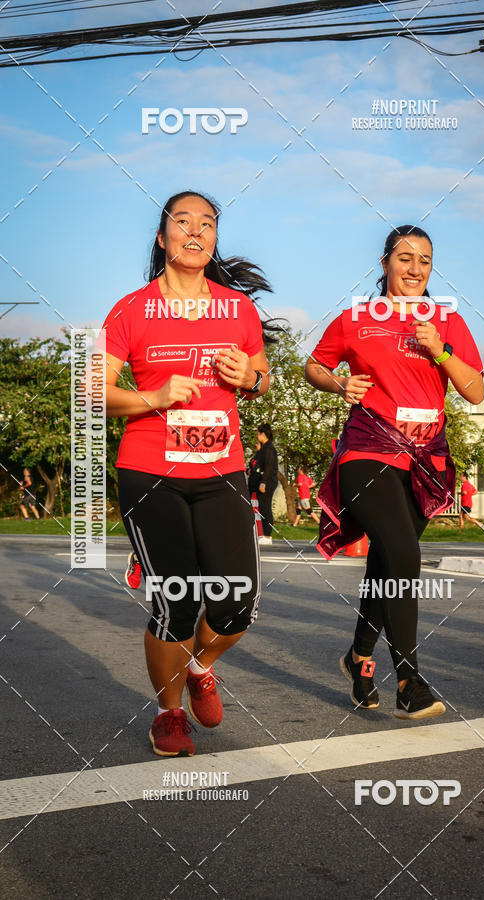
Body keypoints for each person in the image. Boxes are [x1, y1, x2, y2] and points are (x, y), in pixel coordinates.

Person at [103, 189, 277, 757]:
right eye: (183, 222)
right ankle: (169, 714)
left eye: (208, 223)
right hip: (150, 471)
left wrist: (247, 379)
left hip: (221, 469)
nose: (196, 231)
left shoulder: (238, 309)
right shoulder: (132, 310)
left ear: (214, 240)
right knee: (175, 598)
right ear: (163, 237)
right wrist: (153, 395)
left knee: (237, 603)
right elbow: (96, 393)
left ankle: (201, 666)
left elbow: (262, 378)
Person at [305, 225, 484, 720]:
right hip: (369, 448)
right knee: (404, 551)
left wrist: (440, 351)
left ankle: (358, 657)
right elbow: (314, 367)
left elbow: (474, 391)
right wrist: (339, 383)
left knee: (389, 561)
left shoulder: (447, 321)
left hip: (426, 458)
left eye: (425, 260)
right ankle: (409, 679)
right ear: (384, 262)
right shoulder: (356, 318)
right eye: (404, 258)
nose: (414, 268)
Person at [254, 423, 278, 546]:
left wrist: (263, 483)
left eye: (258, 434)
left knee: (265, 507)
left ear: (263, 434)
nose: (257, 436)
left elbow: (268, 467)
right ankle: (265, 534)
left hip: (268, 481)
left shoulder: (268, 448)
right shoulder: (264, 448)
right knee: (263, 507)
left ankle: (268, 536)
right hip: (265, 480)